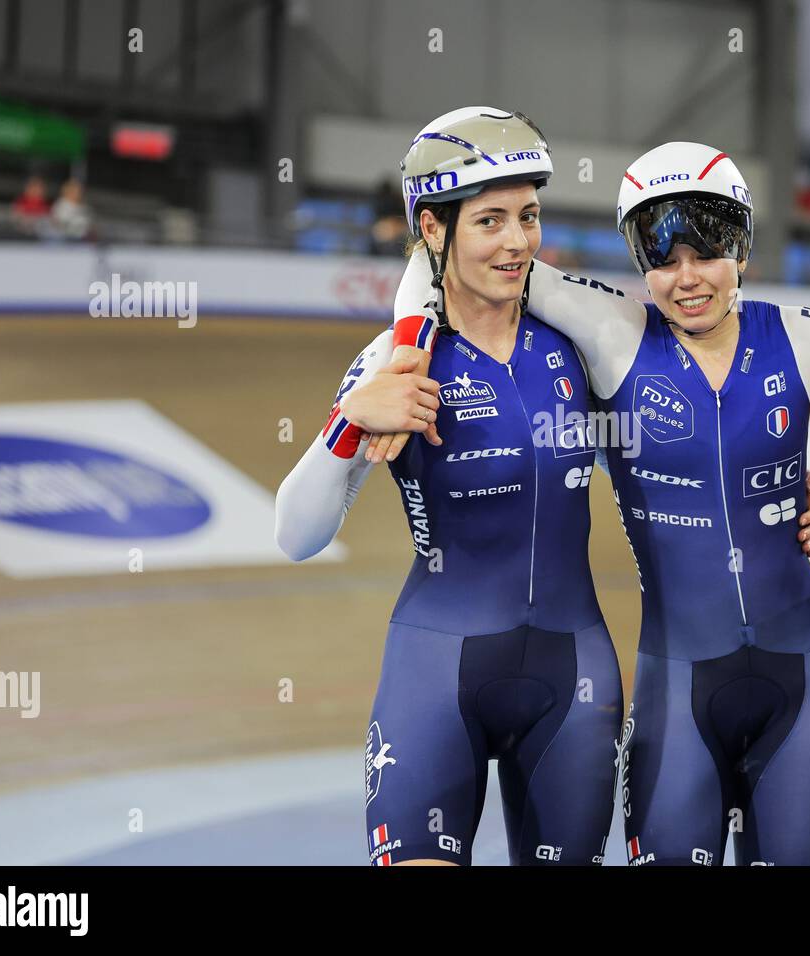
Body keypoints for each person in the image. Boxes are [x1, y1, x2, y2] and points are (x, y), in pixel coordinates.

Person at [387, 138, 810, 865]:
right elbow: (432, 263)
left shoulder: (801, 338)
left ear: (741, 246)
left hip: (798, 690)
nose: (686, 280)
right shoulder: (614, 332)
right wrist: (406, 347)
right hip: (676, 693)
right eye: (662, 260)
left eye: (707, 254)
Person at [276, 108, 630, 866]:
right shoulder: (396, 360)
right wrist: (346, 426)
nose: (517, 242)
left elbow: (665, 468)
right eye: (491, 220)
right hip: (434, 672)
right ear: (433, 231)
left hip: (573, 680)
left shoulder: (576, 350)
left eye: (528, 216)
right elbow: (295, 536)